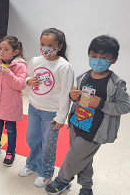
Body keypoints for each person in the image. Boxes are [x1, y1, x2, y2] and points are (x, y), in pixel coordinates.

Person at [45, 35, 130, 195]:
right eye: (94, 56)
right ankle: (86, 187)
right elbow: (80, 99)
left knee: (72, 158)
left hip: (94, 131)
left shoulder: (116, 84)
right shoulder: (84, 77)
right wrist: (73, 97)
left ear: (114, 60)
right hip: (77, 124)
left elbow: (125, 106)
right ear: (88, 55)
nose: (98, 60)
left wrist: (102, 104)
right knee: (83, 159)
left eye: (104, 58)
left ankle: (62, 181)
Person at [19, 28, 75, 188]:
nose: (46, 48)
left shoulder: (64, 67)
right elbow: (27, 77)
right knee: (32, 138)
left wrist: (61, 116)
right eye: (42, 44)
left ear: (60, 46)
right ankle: (32, 164)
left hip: (52, 112)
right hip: (34, 107)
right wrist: (29, 81)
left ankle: (46, 172)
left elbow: (66, 93)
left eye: (51, 45)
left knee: (48, 143)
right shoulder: (36, 61)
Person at [0, 36, 27, 167]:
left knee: (11, 128)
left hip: (10, 105)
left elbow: (20, 85)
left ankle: (11, 152)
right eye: (0, 48)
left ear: (15, 52)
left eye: (6, 49)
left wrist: (8, 73)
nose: (1, 52)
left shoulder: (20, 66)